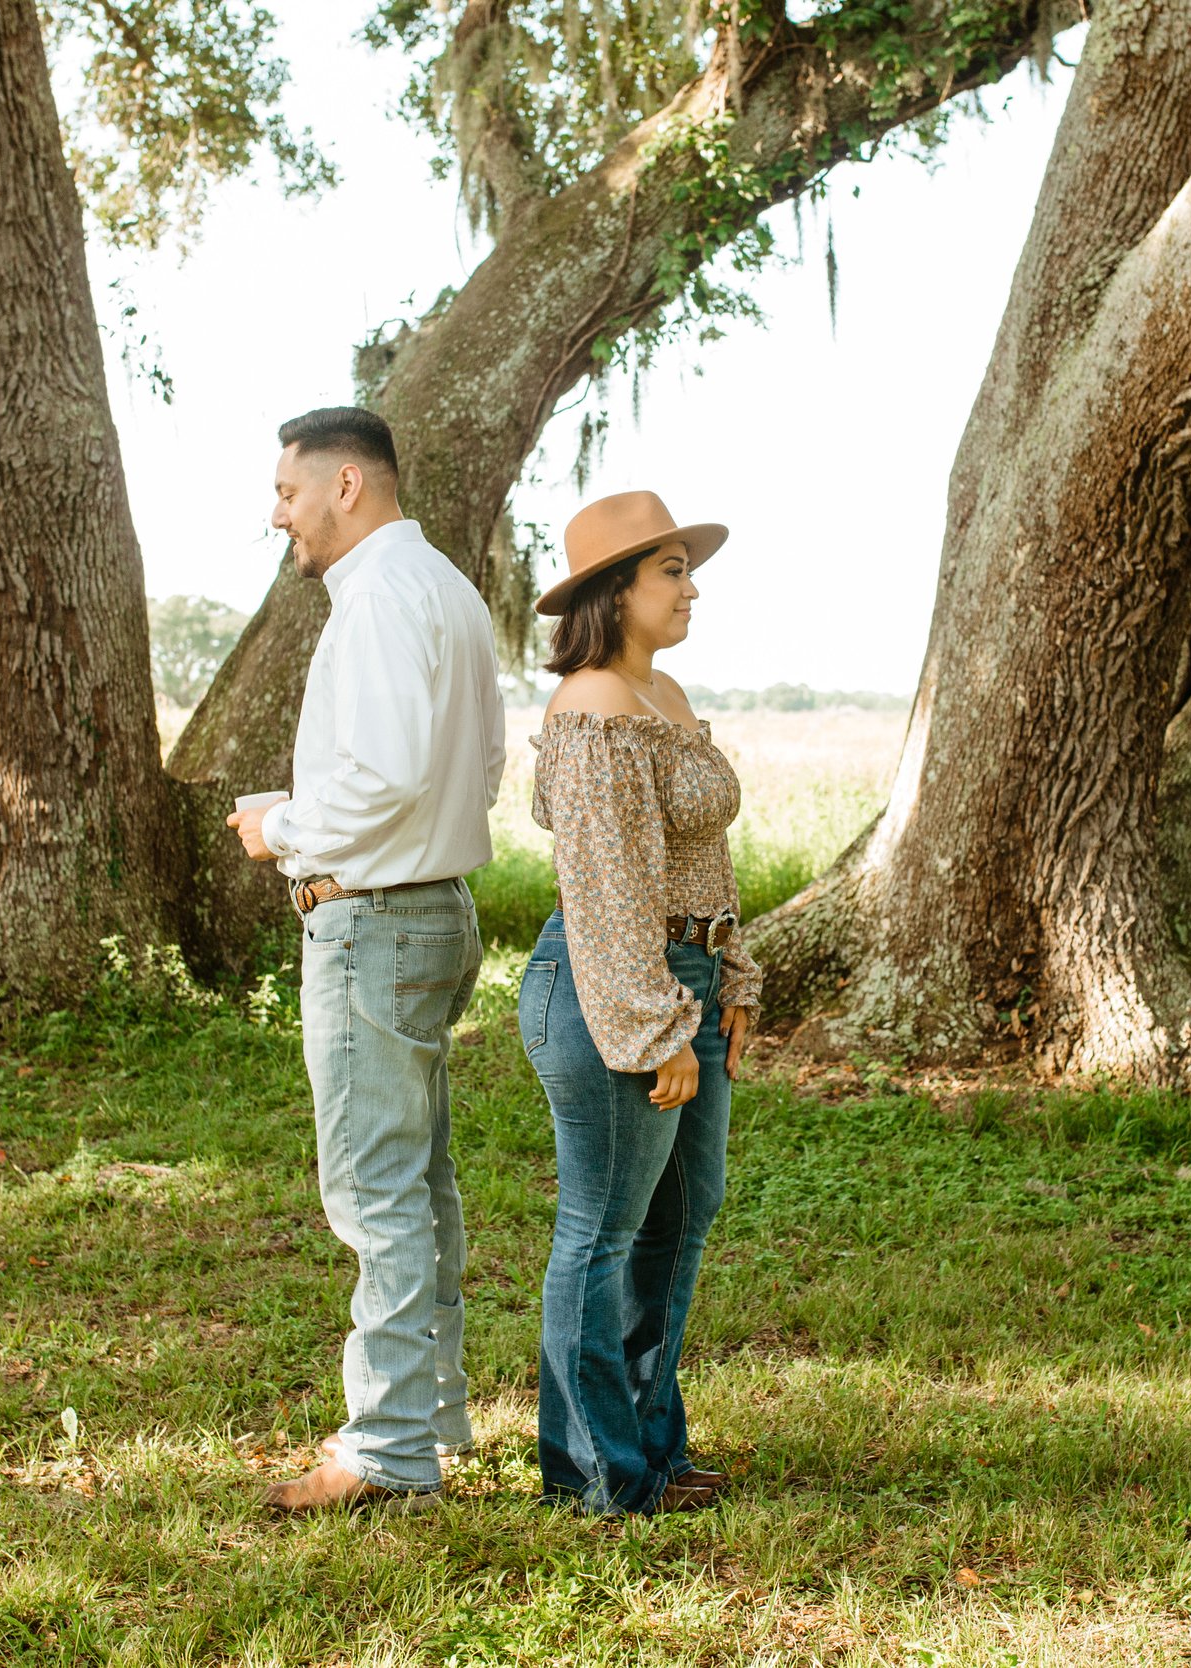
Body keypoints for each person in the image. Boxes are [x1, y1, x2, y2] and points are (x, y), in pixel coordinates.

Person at [227, 407, 504, 1515]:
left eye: (288, 491)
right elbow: (474, 764)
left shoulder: (384, 595)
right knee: (419, 1179)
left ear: (347, 483)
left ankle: (385, 1453)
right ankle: (430, 1419)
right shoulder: (439, 585)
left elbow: (384, 772)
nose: (278, 511)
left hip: (376, 920)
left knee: (374, 1189)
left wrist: (281, 827)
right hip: (428, 904)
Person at [518, 489, 759, 1516]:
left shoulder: (658, 694)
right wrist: (656, 1027)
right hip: (614, 984)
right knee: (604, 1229)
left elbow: (696, 854)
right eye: (670, 569)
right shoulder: (592, 710)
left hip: (683, 979)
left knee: (680, 1219)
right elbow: (607, 888)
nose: (691, 585)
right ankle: (593, 1471)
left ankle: (650, 1450)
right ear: (613, 592)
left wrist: (730, 977)